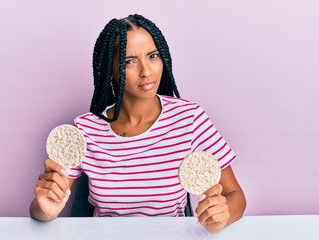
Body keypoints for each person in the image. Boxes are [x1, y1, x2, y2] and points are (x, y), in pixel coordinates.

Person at [30, 14, 246, 234]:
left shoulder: (189, 119)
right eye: (129, 61)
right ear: (110, 70)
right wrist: (45, 209)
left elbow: (236, 196)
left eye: (153, 56)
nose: (146, 71)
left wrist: (222, 213)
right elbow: (41, 209)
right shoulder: (86, 130)